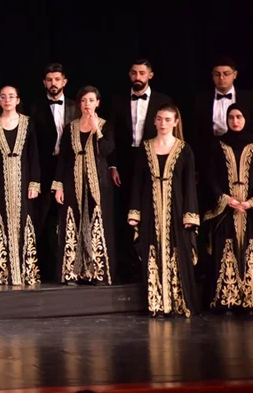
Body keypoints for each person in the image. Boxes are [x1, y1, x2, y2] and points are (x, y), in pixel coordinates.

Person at [128, 103, 199, 317]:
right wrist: (134, 212)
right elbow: (138, 181)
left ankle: (177, 303)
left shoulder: (184, 149)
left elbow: (189, 185)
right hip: (150, 207)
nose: (163, 123)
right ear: (154, 121)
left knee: (176, 253)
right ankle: (157, 303)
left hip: (176, 209)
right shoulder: (146, 147)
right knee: (152, 250)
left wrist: (190, 214)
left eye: (167, 119)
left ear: (175, 122)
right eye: (159, 119)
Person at [108, 59, 171, 282]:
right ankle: (127, 263)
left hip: (152, 159)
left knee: (150, 208)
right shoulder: (117, 100)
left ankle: (151, 261)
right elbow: (111, 135)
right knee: (125, 210)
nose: (138, 77)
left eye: (142, 73)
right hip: (125, 162)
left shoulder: (163, 101)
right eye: (134, 73)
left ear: (150, 75)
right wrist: (113, 165)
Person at [52, 86, 117, 285]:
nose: (87, 104)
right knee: (73, 221)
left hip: (98, 182)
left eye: (91, 100)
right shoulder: (71, 127)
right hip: (73, 181)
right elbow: (63, 159)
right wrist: (59, 185)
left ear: (97, 103)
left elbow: (107, 150)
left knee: (97, 222)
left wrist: (96, 129)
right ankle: (74, 272)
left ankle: (97, 272)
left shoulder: (105, 126)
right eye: (83, 101)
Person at [0, 86, 41, 286]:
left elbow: (33, 155)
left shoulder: (27, 123)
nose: (7, 100)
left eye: (11, 96)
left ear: (17, 100)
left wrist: (35, 183)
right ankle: (1, 272)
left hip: (22, 182)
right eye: (3, 97)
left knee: (23, 219)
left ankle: (25, 272)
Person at [29, 64, 77, 280]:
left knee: (69, 217)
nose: (53, 83)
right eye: (49, 79)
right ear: (44, 83)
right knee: (42, 219)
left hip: (70, 167)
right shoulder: (34, 107)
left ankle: (70, 269)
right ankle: (44, 270)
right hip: (44, 168)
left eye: (57, 79)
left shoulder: (77, 107)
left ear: (64, 81)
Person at [204, 104, 253, 312]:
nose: (235, 121)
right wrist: (225, 199)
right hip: (226, 208)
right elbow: (211, 175)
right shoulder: (218, 145)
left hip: (250, 209)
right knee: (227, 247)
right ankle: (227, 300)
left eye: (239, 116)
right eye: (231, 117)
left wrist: (250, 202)